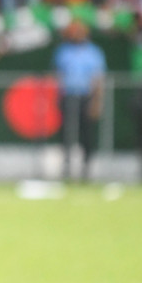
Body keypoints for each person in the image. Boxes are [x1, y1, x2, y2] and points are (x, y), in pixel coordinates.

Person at [52, 19, 107, 179]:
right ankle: (67, 165)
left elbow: (98, 78)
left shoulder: (94, 52)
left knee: (86, 132)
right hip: (68, 95)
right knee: (66, 132)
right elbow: (58, 75)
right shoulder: (63, 51)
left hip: (85, 96)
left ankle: (86, 167)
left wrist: (97, 101)